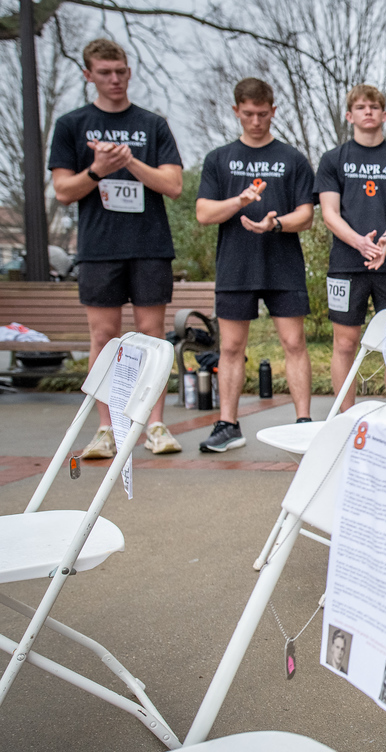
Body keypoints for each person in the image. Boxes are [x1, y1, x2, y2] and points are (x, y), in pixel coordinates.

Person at [49, 38, 184, 458]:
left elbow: (173, 185)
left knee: (152, 336)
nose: (114, 79)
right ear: (88, 75)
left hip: (149, 244)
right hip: (99, 247)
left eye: (121, 71)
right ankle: (106, 429)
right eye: (105, 72)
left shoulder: (152, 124)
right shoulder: (71, 124)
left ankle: (154, 424)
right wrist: (97, 169)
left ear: (129, 71)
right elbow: (63, 191)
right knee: (104, 337)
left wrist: (128, 161)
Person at [194, 78, 316, 452]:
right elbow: (203, 213)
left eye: (263, 114)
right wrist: (240, 202)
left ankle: (304, 424)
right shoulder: (219, 158)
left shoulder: (293, 158)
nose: (256, 121)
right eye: (248, 114)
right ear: (236, 111)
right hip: (236, 265)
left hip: (283, 264)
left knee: (294, 342)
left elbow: (307, 215)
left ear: (273, 111)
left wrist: (275, 224)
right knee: (231, 347)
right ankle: (228, 425)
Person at [315, 84, 386, 412]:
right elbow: (329, 213)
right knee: (345, 343)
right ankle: (345, 418)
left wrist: (385, 240)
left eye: (374, 107)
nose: (368, 112)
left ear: (384, 114)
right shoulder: (332, 160)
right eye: (361, 107)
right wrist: (359, 242)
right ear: (350, 116)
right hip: (346, 265)